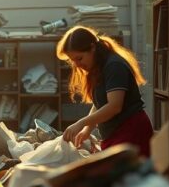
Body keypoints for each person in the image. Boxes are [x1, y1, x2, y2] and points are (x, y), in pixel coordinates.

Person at [57, 26, 153, 156]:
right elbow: (100, 104)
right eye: (72, 61)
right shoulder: (98, 68)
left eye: (79, 58)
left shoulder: (114, 66)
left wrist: (81, 123)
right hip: (115, 134)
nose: (77, 65)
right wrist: (87, 129)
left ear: (92, 48)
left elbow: (114, 106)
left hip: (131, 132)